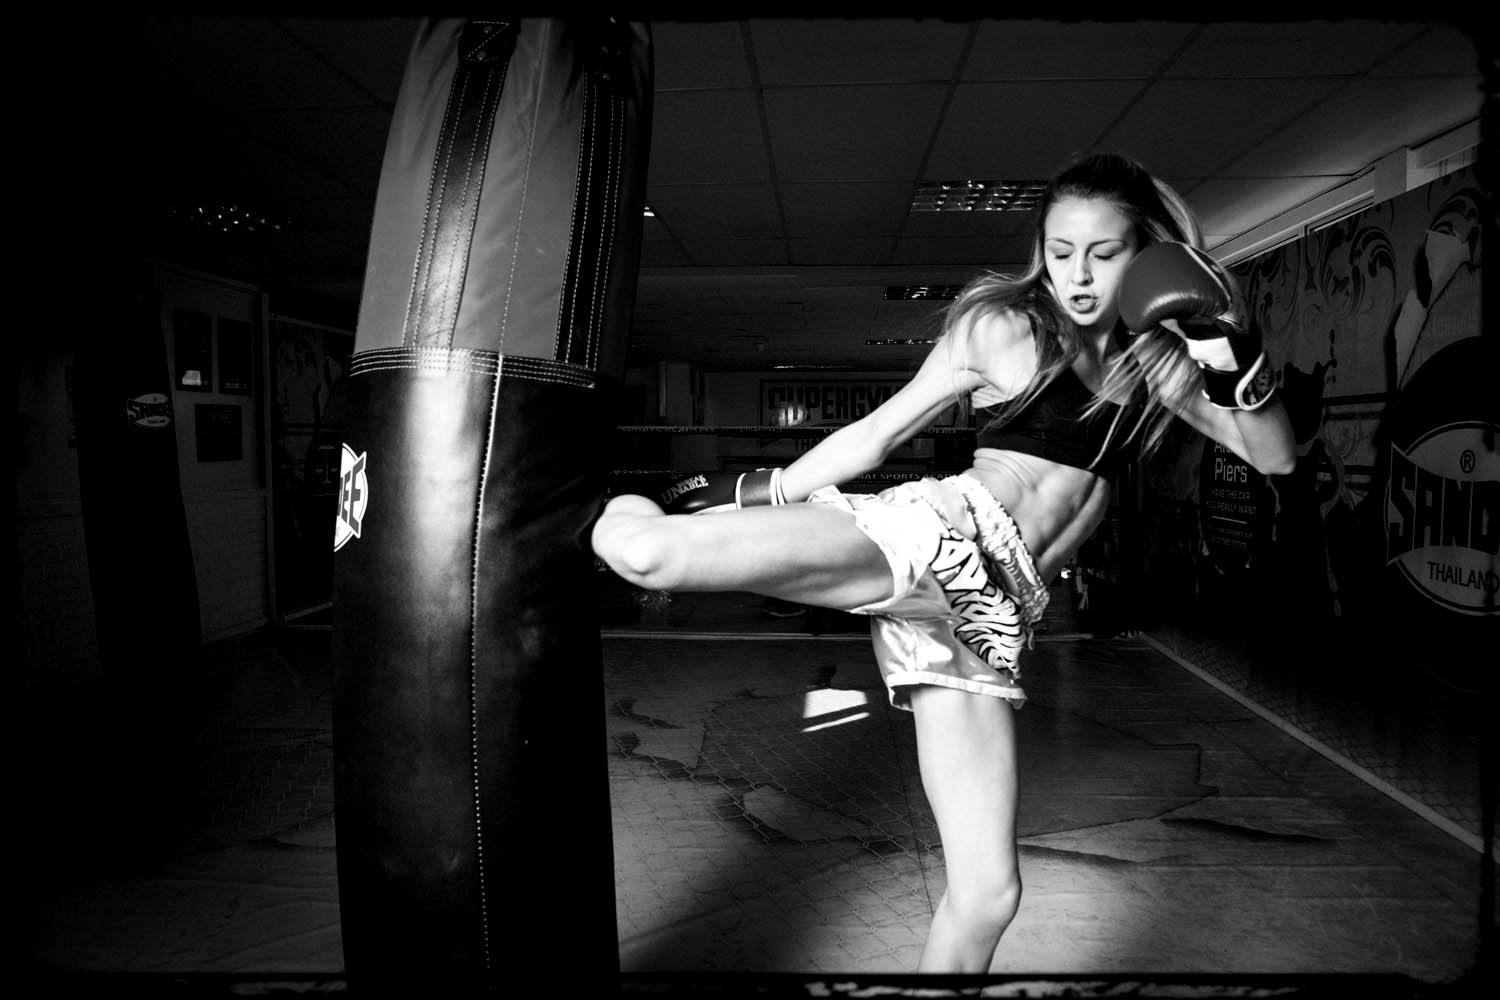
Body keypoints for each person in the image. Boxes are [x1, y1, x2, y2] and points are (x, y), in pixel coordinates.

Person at [592, 152, 1296, 973]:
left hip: (995, 617)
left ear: (1143, 252)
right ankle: (596, 506)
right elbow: (877, 435)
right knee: (644, 552)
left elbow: (1275, 457)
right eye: (1061, 249)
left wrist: (1228, 353)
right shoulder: (1006, 326)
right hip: (947, 534)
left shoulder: (1159, 364)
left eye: (1102, 254)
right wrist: (772, 489)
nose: (1077, 274)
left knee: (990, 893)